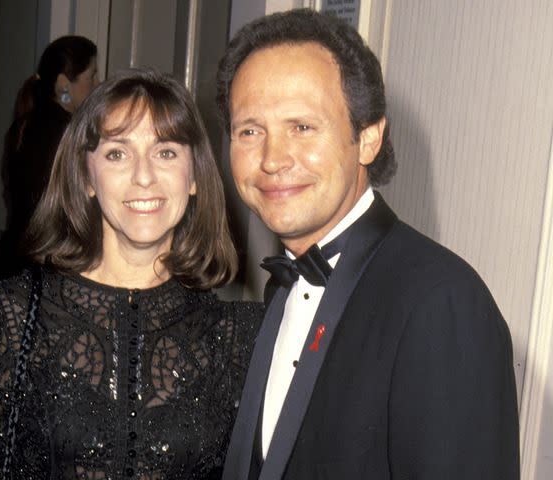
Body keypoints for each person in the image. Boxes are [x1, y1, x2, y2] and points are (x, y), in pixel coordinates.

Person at [215, 9, 519, 480]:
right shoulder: (283, 285)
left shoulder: (443, 302)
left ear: (369, 139)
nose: (272, 159)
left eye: (302, 127)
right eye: (250, 131)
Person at [0, 69, 263, 479]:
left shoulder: (239, 340)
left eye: (166, 152)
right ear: (87, 177)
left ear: (193, 176)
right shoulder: (2, 324)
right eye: (117, 153)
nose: (144, 176)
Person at [0, 35, 99, 283]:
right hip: (41, 271)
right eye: (91, 76)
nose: (97, 83)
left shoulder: (28, 123)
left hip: (15, 263)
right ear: (64, 85)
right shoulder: (64, 134)